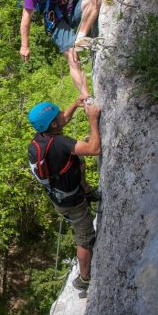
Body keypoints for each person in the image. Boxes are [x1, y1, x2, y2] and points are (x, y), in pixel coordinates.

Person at [28, 98, 102, 291]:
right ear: (53, 124)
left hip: (59, 195)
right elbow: (95, 149)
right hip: (72, 202)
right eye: (59, 113)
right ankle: (84, 278)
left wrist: (76, 104)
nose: (64, 114)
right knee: (85, 238)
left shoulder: (41, 139)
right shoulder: (60, 143)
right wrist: (92, 119)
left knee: (78, 162)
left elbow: (63, 119)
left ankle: (87, 191)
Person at [20, 0, 103, 100]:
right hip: (55, 20)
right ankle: (86, 97)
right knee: (72, 56)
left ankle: (81, 37)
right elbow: (26, 17)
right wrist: (25, 45)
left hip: (73, 9)